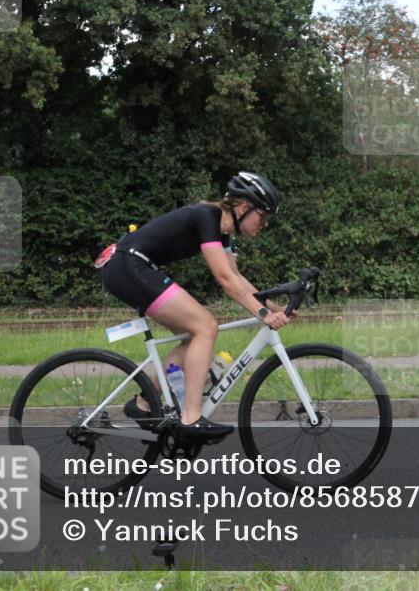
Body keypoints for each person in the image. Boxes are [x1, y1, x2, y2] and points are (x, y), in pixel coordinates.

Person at [99, 172, 292, 440]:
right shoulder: (206, 216)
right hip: (129, 265)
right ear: (244, 207)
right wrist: (262, 315)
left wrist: (274, 306)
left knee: (195, 334)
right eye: (264, 216)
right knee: (205, 326)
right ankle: (191, 418)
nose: (266, 224)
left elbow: (237, 278)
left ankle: (144, 404)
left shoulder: (222, 232)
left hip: (133, 267)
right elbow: (224, 279)